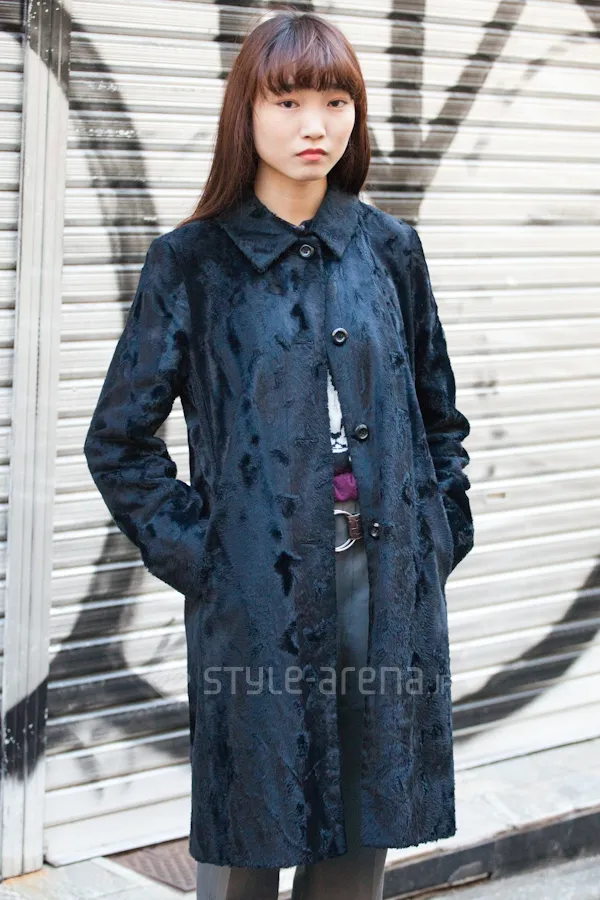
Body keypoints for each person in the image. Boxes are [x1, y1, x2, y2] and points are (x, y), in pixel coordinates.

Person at [84, 8, 474, 900]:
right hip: (256, 594)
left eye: (336, 101)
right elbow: (120, 441)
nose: (315, 125)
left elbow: (438, 417)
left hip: (386, 588)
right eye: (289, 100)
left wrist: (439, 534)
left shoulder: (390, 250)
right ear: (247, 113)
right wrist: (210, 558)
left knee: (362, 839)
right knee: (248, 838)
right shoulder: (191, 263)